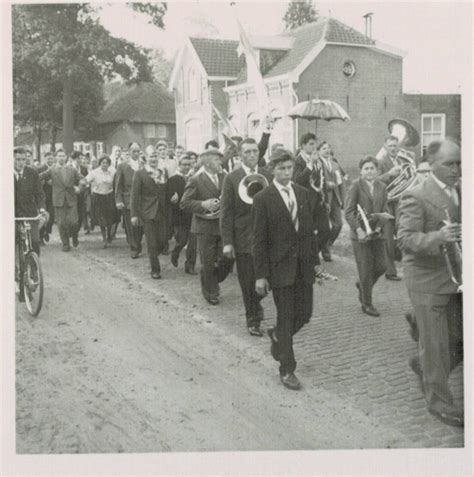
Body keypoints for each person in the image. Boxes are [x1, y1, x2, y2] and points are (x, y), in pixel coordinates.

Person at [397, 139, 463, 427]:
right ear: (432, 164)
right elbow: (405, 239)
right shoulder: (417, 195)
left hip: (455, 277)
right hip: (426, 279)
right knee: (435, 344)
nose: (456, 169)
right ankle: (440, 402)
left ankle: (423, 366)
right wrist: (439, 238)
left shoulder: (460, 190)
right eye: (450, 164)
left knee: (460, 338)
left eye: (459, 163)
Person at [252, 148, 317, 390]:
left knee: (305, 314)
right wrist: (261, 275)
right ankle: (287, 369)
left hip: (304, 267)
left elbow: (308, 232)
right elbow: (258, 240)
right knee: (287, 316)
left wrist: (314, 264)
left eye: (290, 168)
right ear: (272, 170)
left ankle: (278, 335)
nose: (287, 173)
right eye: (281, 169)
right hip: (280, 269)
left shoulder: (302, 193)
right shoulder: (263, 198)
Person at [220, 138, 273, 337]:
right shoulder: (232, 178)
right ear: (240, 155)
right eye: (247, 152)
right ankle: (253, 319)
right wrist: (227, 242)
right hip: (243, 238)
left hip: (266, 236)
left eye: (254, 151)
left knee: (268, 278)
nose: (252, 155)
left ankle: (256, 306)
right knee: (248, 281)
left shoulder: (267, 175)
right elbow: (226, 212)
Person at [344, 157, 389, 317]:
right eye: (366, 168)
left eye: (372, 168)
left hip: (376, 233)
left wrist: (378, 226)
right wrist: (359, 230)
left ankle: (363, 286)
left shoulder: (382, 186)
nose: (370, 171)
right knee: (365, 268)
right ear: (361, 171)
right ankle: (367, 303)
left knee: (382, 266)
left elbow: (385, 209)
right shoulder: (355, 186)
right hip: (360, 235)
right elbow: (348, 211)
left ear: (377, 171)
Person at [181, 148, 226, 305]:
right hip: (204, 226)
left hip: (221, 224)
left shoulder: (225, 176)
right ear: (207, 162)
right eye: (216, 159)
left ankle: (213, 280)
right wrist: (203, 204)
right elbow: (184, 203)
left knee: (225, 259)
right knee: (207, 261)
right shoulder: (195, 179)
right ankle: (210, 292)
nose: (220, 162)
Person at [293, 133, 332, 272]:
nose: (313, 147)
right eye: (310, 144)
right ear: (303, 145)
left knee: (325, 231)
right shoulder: (298, 160)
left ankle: (313, 253)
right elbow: (297, 180)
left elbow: (322, 180)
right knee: (307, 231)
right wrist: (309, 165)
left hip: (318, 200)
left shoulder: (318, 160)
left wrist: (326, 200)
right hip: (305, 201)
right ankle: (308, 258)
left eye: (315, 144)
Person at [130, 150, 169, 279]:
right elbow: (134, 195)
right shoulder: (140, 174)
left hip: (162, 212)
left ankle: (153, 255)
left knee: (163, 240)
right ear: (146, 158)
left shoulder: (163, 172)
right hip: (147, 212)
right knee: (151, 242)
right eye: (151, 156)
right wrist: (134, 214)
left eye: (156, 156)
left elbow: (166, 191)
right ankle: (155, 269)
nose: (154, 159)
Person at [39, 149, 82, 251]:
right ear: (56, 158)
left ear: (66, 157)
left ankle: (74, 236)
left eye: (63, 156)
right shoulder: (52, 170)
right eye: (59, 156)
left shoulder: (72, 169)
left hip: (71, 199)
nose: (61, 158)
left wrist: (79, 187)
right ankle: (65, 244)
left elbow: (82, 179)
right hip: (58, 200)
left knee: (74, 222)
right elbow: (41, 176)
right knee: (61, 223)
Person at [376, 135, 406, 281]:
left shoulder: (402, 162)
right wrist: (389, 174)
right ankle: (390, 271)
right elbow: (374, 181)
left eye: (395, 145)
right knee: (388, 238)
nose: (393, 148)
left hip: (400, 204)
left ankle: (400, 263)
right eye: (390, 146)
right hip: (387, 205)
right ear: (385, 147)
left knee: (402, 235)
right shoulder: (380, 162)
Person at [167, 155, 197, 275]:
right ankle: (176, 251)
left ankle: (190, 266)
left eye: (188, 165)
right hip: (179, 215)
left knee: (193, 242)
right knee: (183, 240)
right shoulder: (173, 179)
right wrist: (172, 198)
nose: (186, 167)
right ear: (179, 165)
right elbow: (168, 195)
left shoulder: (194, 178)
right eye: (184, 164)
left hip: (192, 214)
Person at [14, 147, 46, 256]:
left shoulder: (32, 173)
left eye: (23, 159)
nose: (21, 162)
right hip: (12, 214)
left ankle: (34, 270)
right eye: (18, 159)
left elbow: (39, 193)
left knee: (35, 242)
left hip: (29, 214)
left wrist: (41, 208)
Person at [115, 142, 144, 259]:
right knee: (131, 226)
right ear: (129, 152)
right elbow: (118, 185)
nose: (136, 154)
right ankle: (134, 247)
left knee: (140, 226)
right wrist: (118, 200)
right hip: (128, 200)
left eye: (138, 151)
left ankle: (137, 242)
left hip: (142, 200)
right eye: (134, 151)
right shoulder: (122, 166)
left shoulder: (143, 165)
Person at [317, 141, 345, 261]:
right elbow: (314, 181)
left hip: (335, 198)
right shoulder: (316, 163)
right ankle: (320, 251)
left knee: (338, 224)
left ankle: (327, 245)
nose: (327, 150)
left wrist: (343, 199)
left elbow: (341, 183)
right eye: (324, 148)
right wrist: (324, 185)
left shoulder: (335, 164)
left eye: (328, 148)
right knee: (323, 228)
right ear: (318, 151)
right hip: (322, 198)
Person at [83, 155, 117, 248]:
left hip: (109, 197)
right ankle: (104, 239)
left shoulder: (112, 172)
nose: (104, 165)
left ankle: (110, 234)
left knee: (109, 218)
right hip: (98, 197)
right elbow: (85, 180)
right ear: (100, 163)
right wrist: (81, 184)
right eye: (103, 163)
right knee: (101, 219)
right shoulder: (95, 172)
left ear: (109, 164)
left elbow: (118, 181)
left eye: (106, 163)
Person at [39, 152, 55, 243]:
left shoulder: (55, 168)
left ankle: (47, 231)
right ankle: (41, 237)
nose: (49, 160)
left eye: (51, 158)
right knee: (43, 216)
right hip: (43, 196)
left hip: (53, 196)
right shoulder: (40, 169)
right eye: (48, 158)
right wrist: (45, 182)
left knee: (52, 216)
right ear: (45, 159)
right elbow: (37, 179)